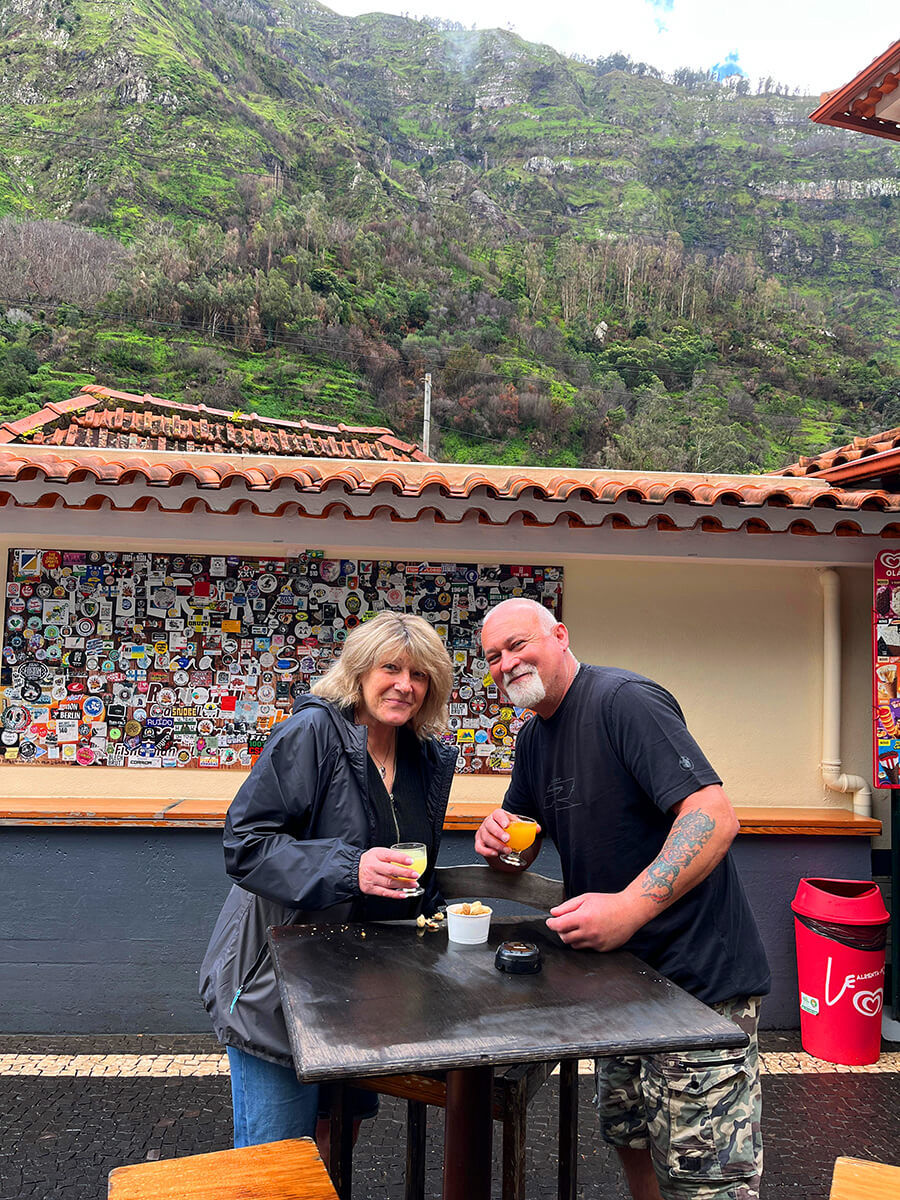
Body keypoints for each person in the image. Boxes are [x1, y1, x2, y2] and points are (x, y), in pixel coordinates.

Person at [475, 598, 770, 1200]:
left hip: (698, 988)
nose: (506, 663)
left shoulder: (624, 701)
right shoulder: (533, 737)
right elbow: (523, 845)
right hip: (617, 985)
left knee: (705, 1179)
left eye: (518, 645)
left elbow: (712, 816)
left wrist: (630, 906)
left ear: (559, 636)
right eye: (493, 657)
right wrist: (501, 843)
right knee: (631, 1140)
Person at [200, 612, 457, 1153]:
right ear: (359, 671)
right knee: (275, 1163)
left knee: (336, 1144)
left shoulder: (424, 757)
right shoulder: (311, 733)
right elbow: (246, 844)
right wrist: (350, 867)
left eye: (420, 674)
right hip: (276, 986)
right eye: (391, 667)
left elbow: (412, 868)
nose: (404, 684)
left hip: (359, 990)